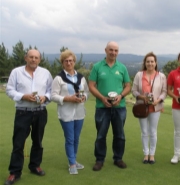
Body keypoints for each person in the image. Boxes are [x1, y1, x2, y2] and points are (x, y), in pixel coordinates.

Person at [4, 49, 53, 185]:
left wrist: (46, 97)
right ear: (26, 58)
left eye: (36, 57)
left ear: (40, 59)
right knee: (18, 143)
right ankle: (15, 172)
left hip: (40, 111)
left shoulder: (45, 73)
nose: (33, 59)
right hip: (22, 111)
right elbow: (9, 90)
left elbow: (51, 90)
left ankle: (35, 165)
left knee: (38, 141)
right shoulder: (16, 72)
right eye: (31, 57)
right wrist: (23, 96)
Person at [88, 41, 131, 171]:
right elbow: (91, 85)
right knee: (101, 135)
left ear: (118, 52)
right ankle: (99, 160)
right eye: (111, 50)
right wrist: (102, 98)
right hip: (102, 107)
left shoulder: (122, 67)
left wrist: (121, 96)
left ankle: (118, 158)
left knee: (120, 135)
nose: (113, 53)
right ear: (105, 50)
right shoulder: (97, 67)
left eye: (116, 50)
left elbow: (128, 86)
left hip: (119, 107)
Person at [51, 50, 89, 175]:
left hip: (79, 112)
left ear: (74, 62)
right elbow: (53, 96)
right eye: (66, 61)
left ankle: (73, 159)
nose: (69, 62)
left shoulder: (81, 78)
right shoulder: (58, 78)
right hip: (65, 113)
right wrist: (68, 98)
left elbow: (87, 92)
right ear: (62, 63)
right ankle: (72, 163)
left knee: (76, 138)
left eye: (71, 60)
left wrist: (84, 98)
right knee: (70, 139)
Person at [132, 52, 167, 164]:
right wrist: (142, 96)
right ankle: (145, 154)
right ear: (145, 63)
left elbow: (164, 91)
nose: (150, 63)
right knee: (144, 131)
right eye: (148, 61)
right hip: (142, 107)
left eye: (152, 61)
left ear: (155, 63)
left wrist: (158, 100)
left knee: (153, 131)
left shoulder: (161, 76)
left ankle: (152, 154)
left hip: (155, 107)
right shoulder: (139, 75)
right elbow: (134, 91)